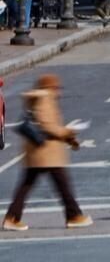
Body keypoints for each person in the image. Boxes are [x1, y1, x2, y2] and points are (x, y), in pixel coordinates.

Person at [3, 74, 92, 231]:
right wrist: (68, 131)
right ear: (50, 87)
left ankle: (12, 218)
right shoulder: (46, 99)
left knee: (28, 186)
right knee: (62, 186)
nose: (59, 92)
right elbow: (47, 126)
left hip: (40, 153)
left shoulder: (41, 98)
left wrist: (70, 139)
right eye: (57, 87)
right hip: (46, 152)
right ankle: (74, 216)